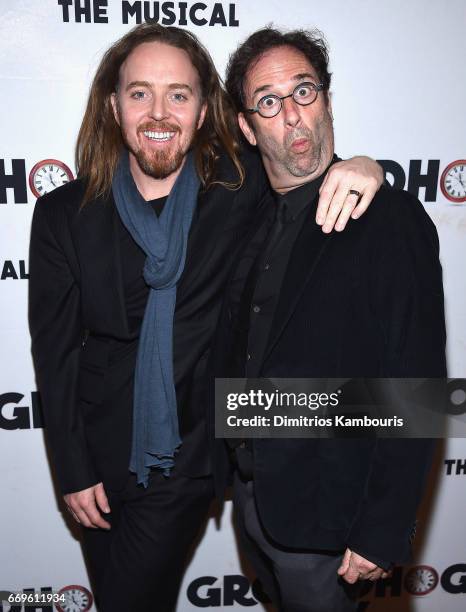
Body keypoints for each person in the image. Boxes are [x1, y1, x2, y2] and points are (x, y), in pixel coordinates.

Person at [28, 23, 383, 612]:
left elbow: (298, 154)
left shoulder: (237, 190)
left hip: (185, 456)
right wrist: (71, 468)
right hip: (96, 458)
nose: (159, 112)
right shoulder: (65, 213)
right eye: (140, 93)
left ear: (202, 110)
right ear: (113, 106)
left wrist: (363, 165)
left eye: (180, 94)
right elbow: (55, 350)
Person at [210, 27, 447, 612]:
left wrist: (382, 528)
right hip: (254, 500)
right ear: (247, 127)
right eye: (268, 101)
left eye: (304, 92)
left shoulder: (387, 218)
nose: (291, 115)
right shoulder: (246, 212)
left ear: (328, 100)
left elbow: (417, 386)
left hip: (330, 521)